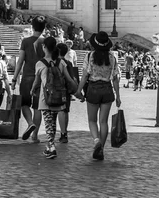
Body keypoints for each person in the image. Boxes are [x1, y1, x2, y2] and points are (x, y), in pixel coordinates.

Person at [75, 31, 121, 161]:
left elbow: (85, 75)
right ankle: (102, 148)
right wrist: (118, 96)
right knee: (103, 121)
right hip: (107, 89)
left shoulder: (90, 56)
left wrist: (79, 91)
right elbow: (116, 78)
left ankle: (96, 141)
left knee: (92, 120)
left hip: (93, 89)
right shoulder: (112, 57)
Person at [31, 37, 77, 159]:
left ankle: (51, 146)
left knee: (48, 122)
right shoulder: (60, 62)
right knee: (53, 121)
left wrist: (32, 90)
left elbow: (36, 82)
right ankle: (49, 146)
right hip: (59, 96)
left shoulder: (40, 63)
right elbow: (68, 79)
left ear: (45, 47)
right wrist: (77, 90)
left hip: (45, 97)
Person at [11, 16, 46, 144]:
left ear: (32, 26)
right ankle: (35, 135)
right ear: (44, 28)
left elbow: (20, 61)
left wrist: (14, 78)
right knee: (38, 107)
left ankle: (30, 123)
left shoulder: (26, 41)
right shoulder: (46, 42)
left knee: (24, 104)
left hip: (27, 77)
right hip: (41, 78)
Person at [55, 42, 74, 144]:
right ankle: (64, 132)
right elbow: (71, 79)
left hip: (55, 90)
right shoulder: (68, 63)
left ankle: (60, 133)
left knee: (58, 111)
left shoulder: (54, 62)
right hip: (66, 90)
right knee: (65, 111)